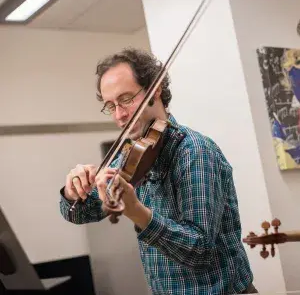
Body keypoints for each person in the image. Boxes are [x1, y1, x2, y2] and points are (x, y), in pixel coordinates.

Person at [59, 48, 257, 294]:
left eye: (126, 99)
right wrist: (72, 191)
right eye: (110, 106)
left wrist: (137, 212)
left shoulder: (194, 151)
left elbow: (200, 250)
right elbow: (79, 214)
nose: (120, 115)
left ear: (155, 89)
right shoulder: (129, 155)